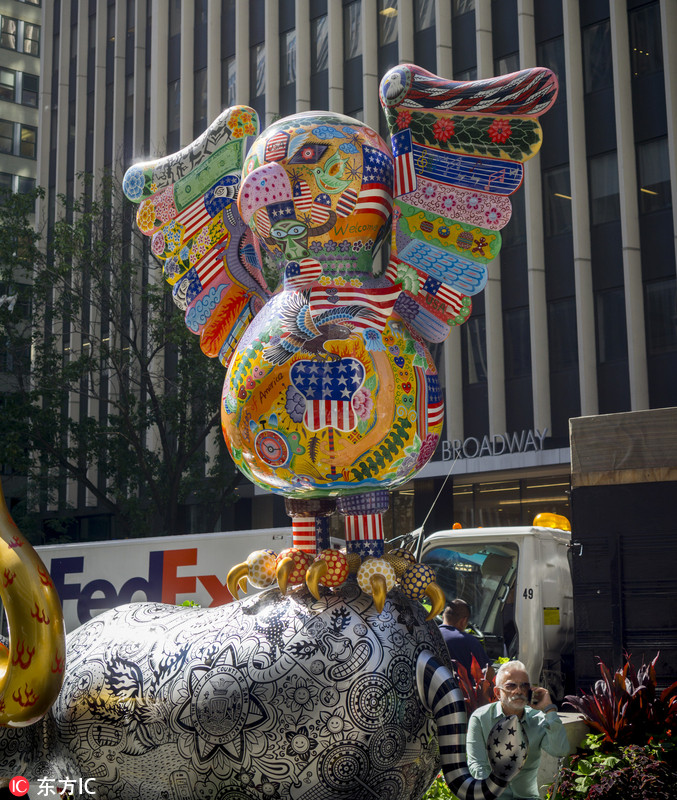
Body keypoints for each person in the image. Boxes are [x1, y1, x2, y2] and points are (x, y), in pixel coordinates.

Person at [466, 660, 570, 799]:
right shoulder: (480, 718)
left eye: (524, 685)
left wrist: (549, 709)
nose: (519, 691)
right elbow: (477, 765)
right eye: (511, 685)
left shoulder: (538, 719)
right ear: (497, 693)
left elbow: (560, 750)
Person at [439, 599, 491, 674]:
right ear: (463, 621)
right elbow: (488, 671)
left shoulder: (429, 634)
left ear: (443, 617)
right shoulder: (469, 641)